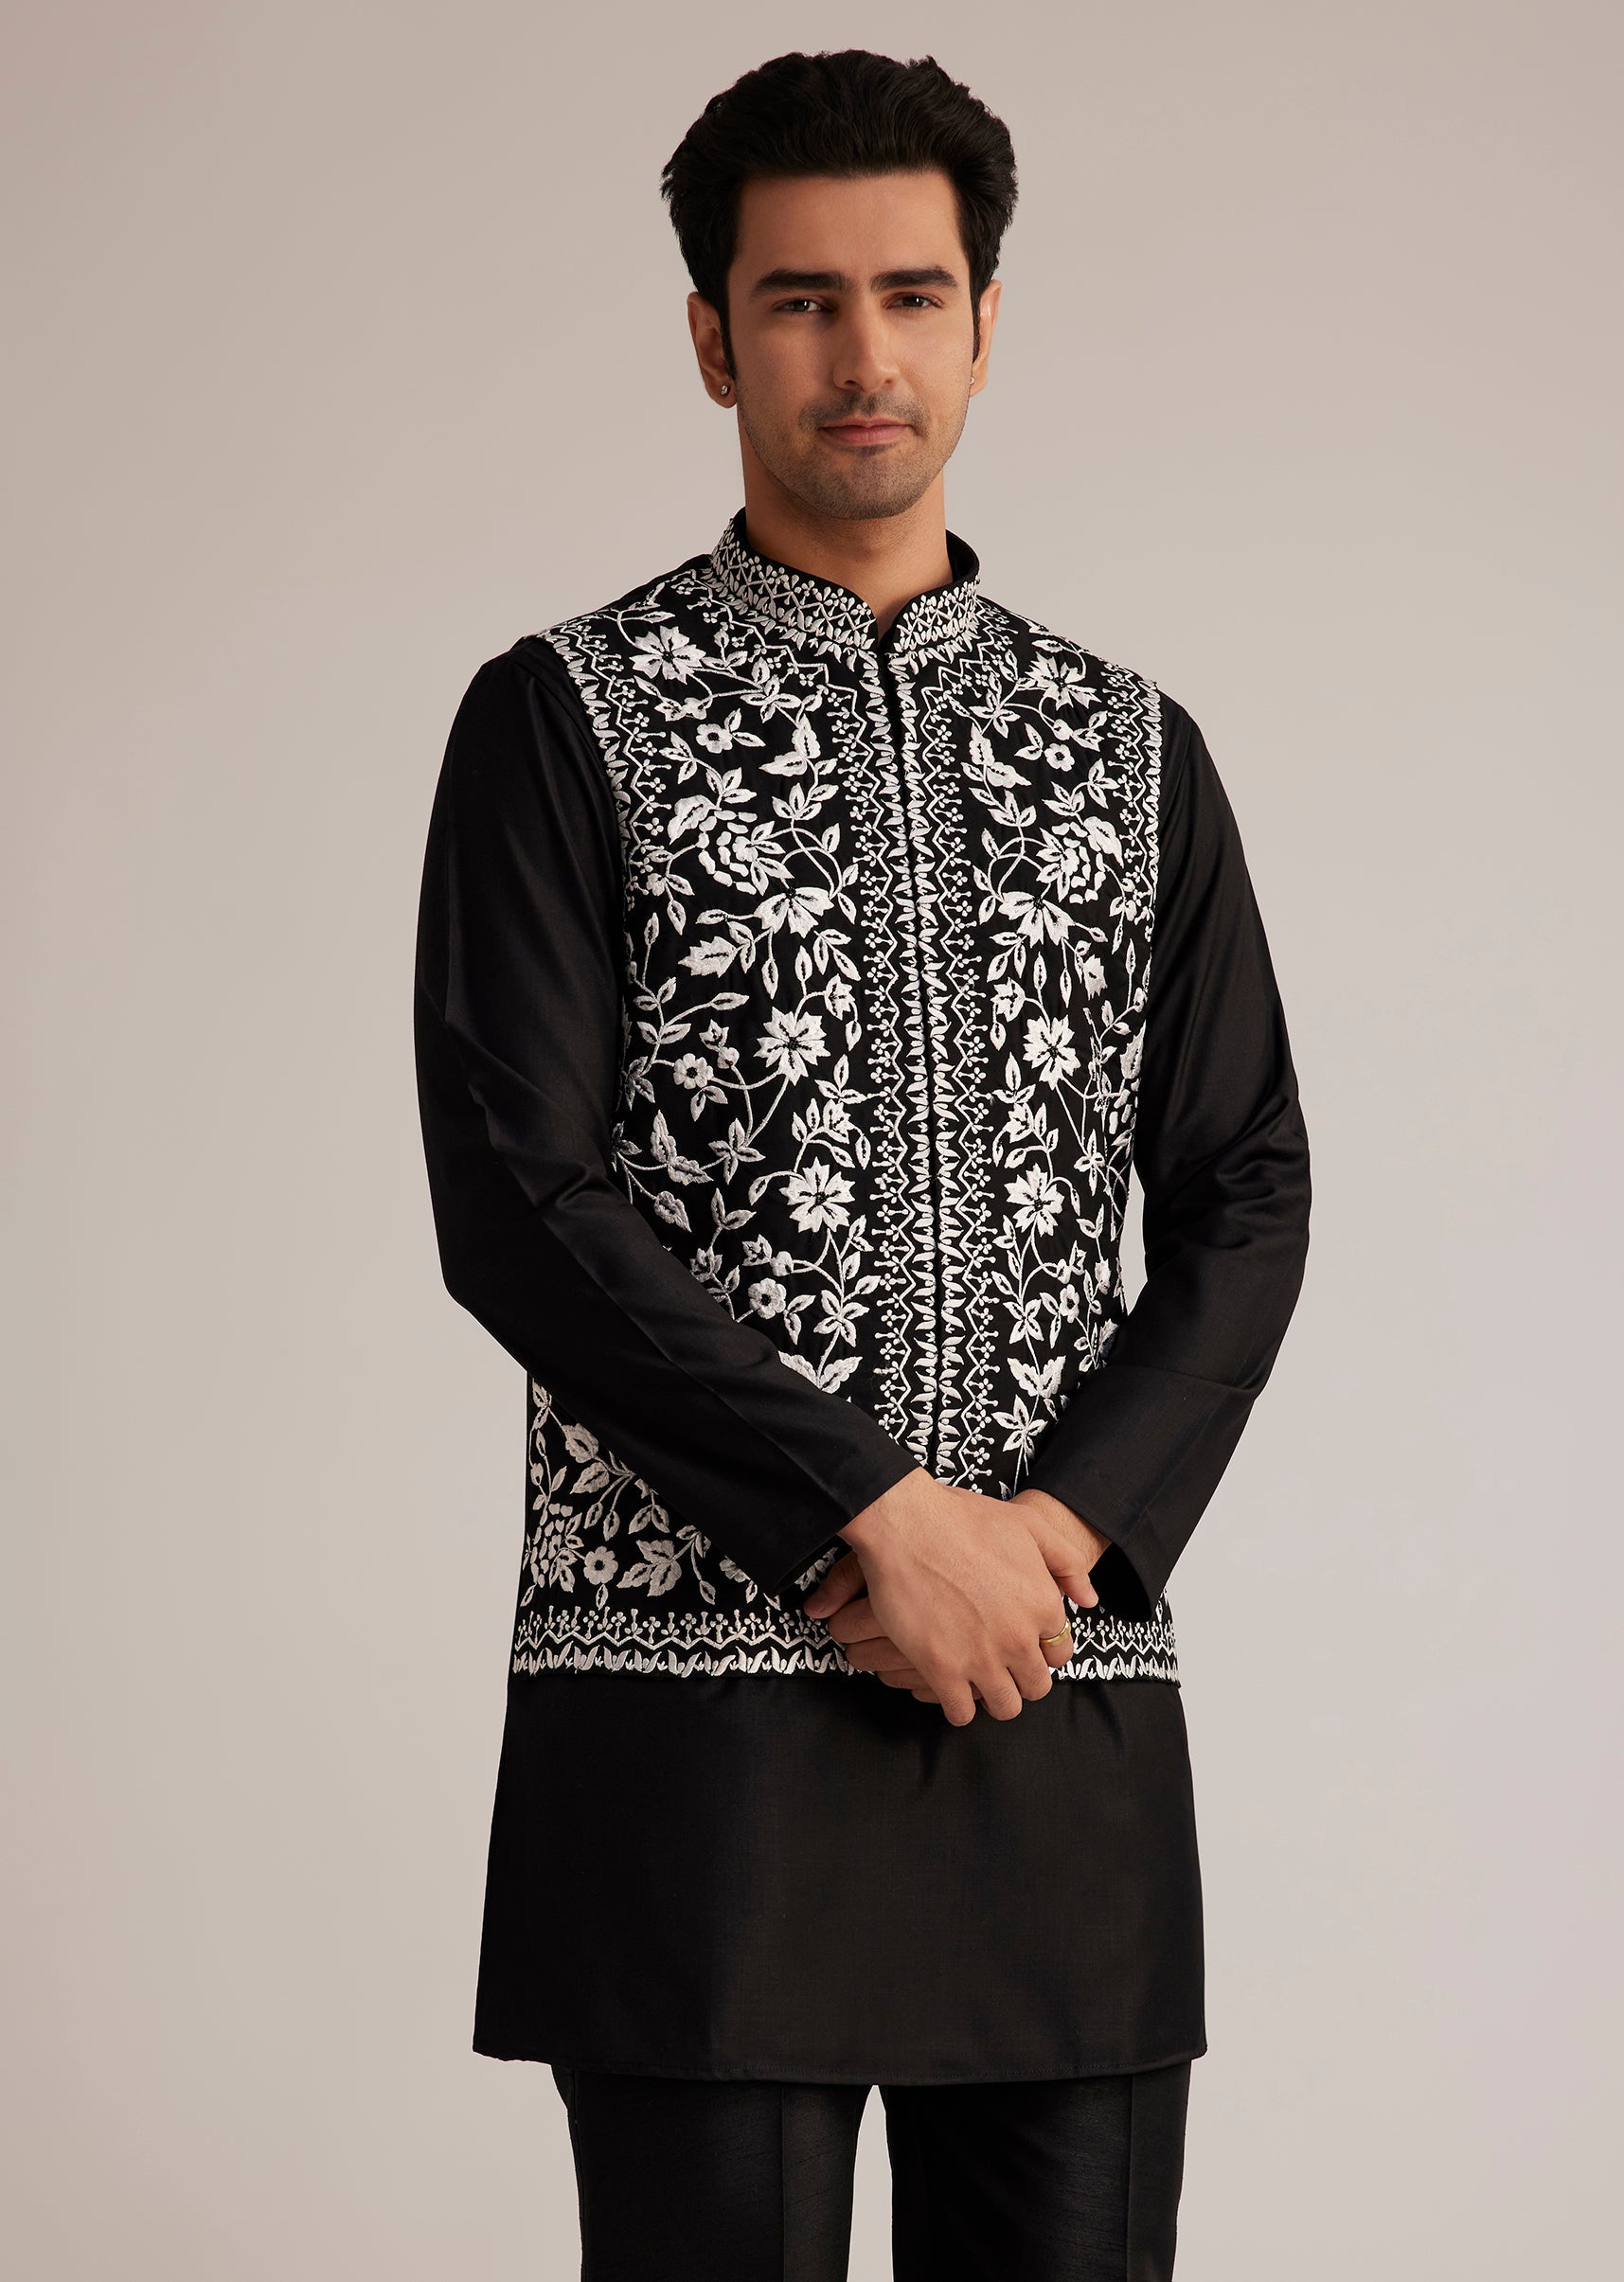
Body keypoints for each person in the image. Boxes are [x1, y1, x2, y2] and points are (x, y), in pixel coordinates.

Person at [413, 46, 1312, 2282]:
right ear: (712, 338)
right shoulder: (566, 717)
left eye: (912, 295)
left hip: (1055, 1698)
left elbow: (1245, 1186)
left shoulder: (1130, 747)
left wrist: (1053, 1538)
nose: (864, 355)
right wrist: (871, 1519)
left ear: (987, 324)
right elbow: (519, 1188)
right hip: (696, 1722)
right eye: (800, 300)